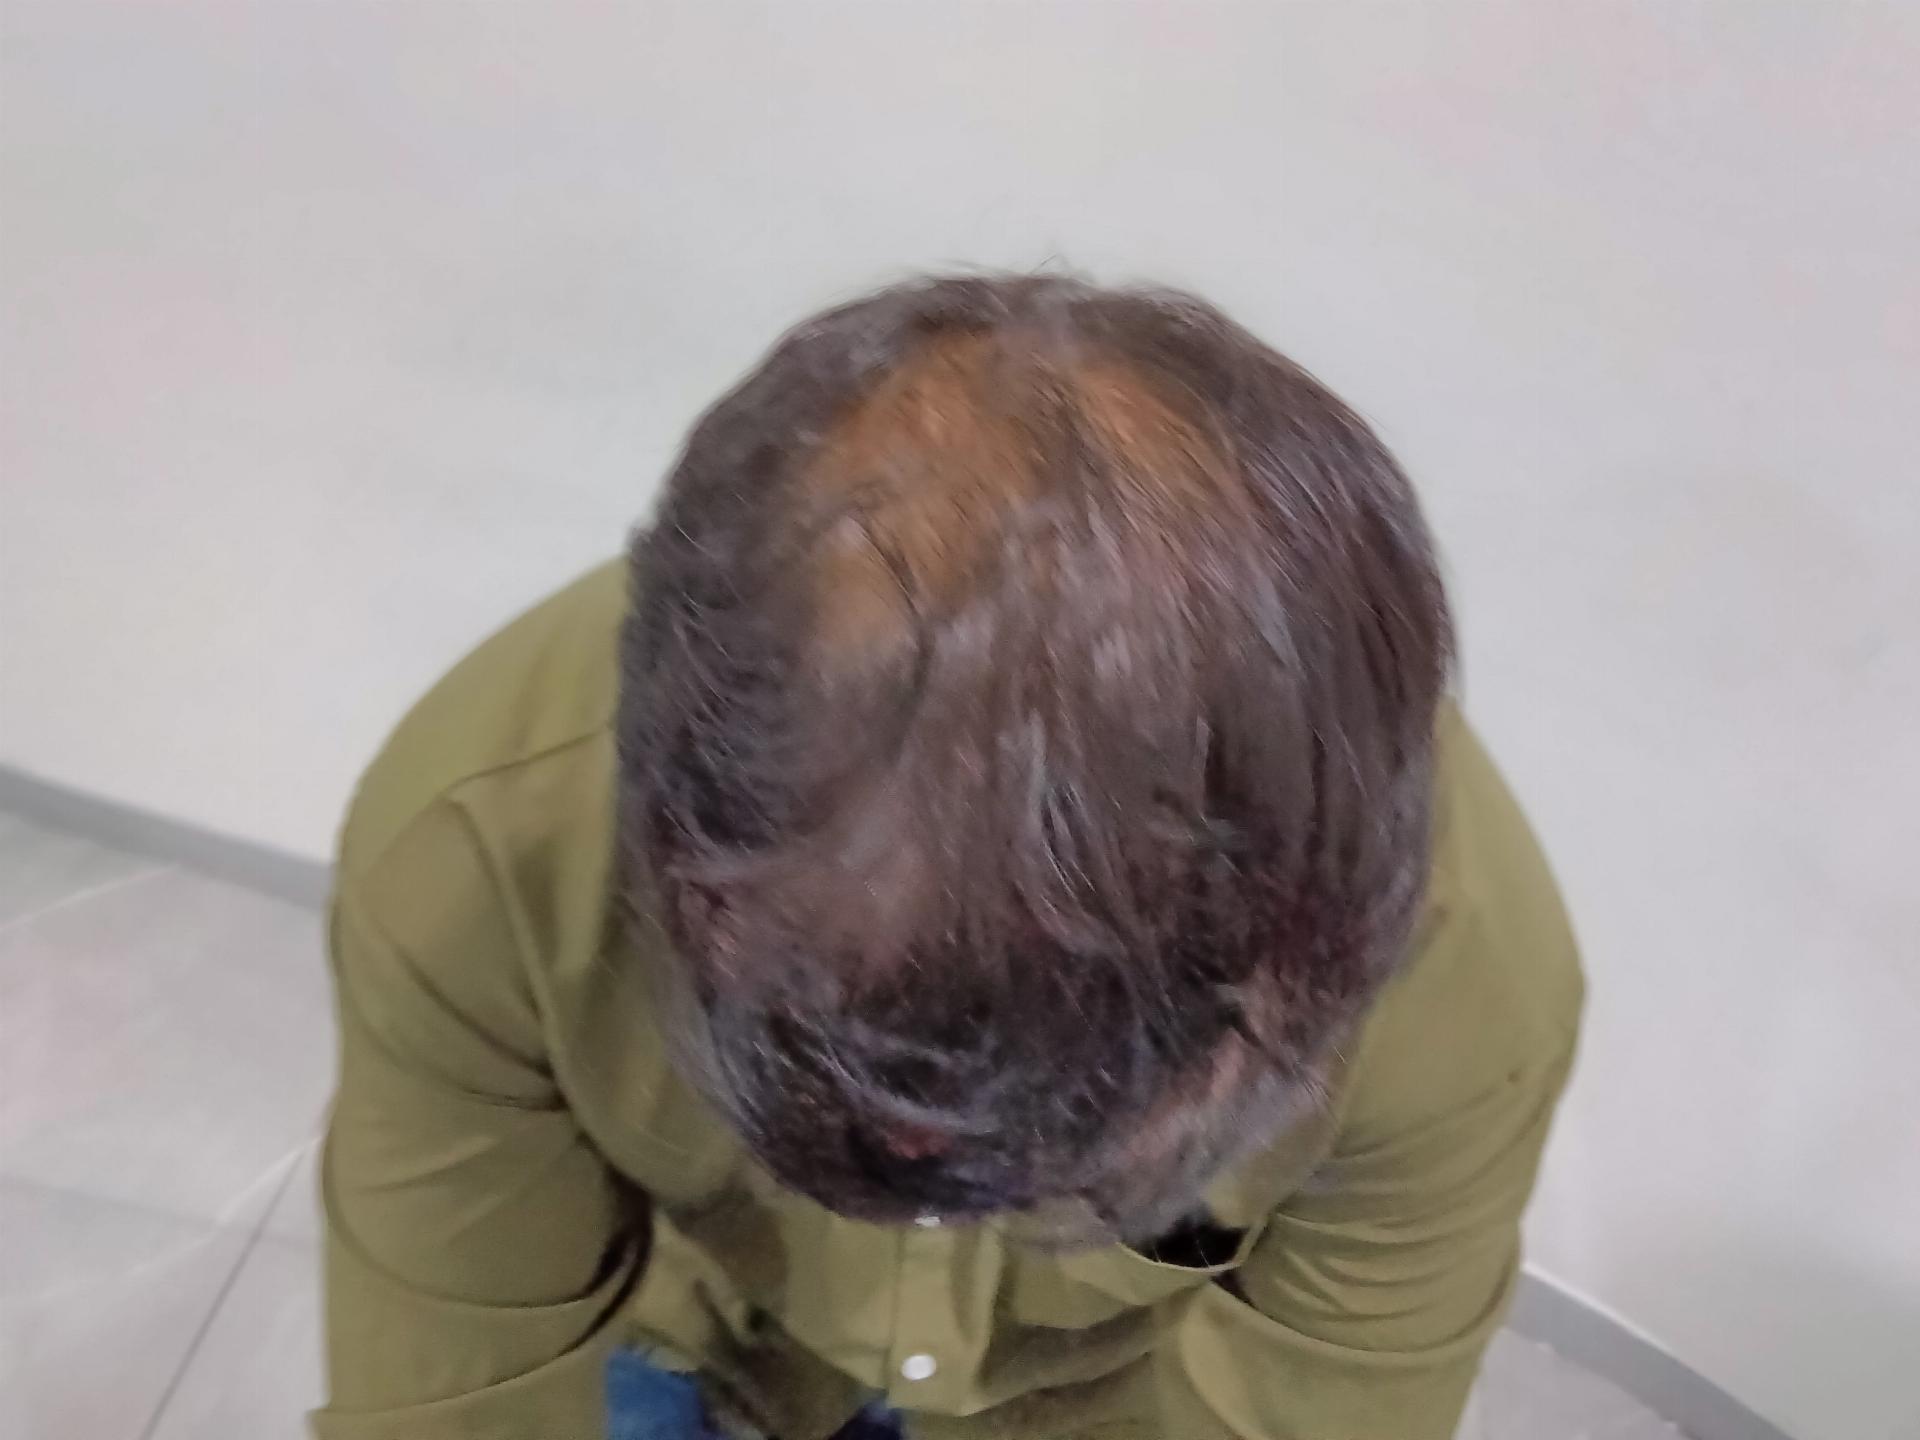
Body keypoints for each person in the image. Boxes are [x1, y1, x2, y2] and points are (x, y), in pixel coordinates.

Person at [315, 274, 1583, 1440]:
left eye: (1075, 1162)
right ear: (690, 878)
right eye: (850, 1066)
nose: (928, 1181)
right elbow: (449, 1402)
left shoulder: (1463, 988)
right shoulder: (481, 852)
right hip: (696, 1334)